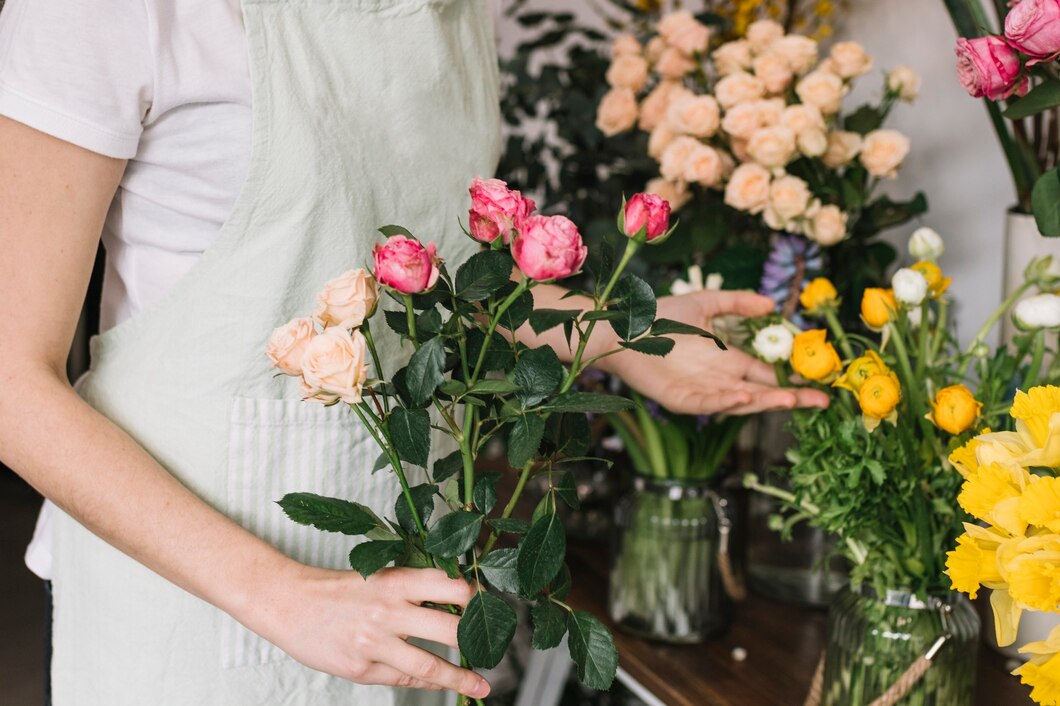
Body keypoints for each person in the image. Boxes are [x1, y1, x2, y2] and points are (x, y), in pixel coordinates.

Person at [0, 0, 828, 704]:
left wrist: (621, 334)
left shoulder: (454, 14)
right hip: (192, 612)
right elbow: (10, 382)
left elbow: (431, 278)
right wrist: (287, 596)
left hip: (408, 581)